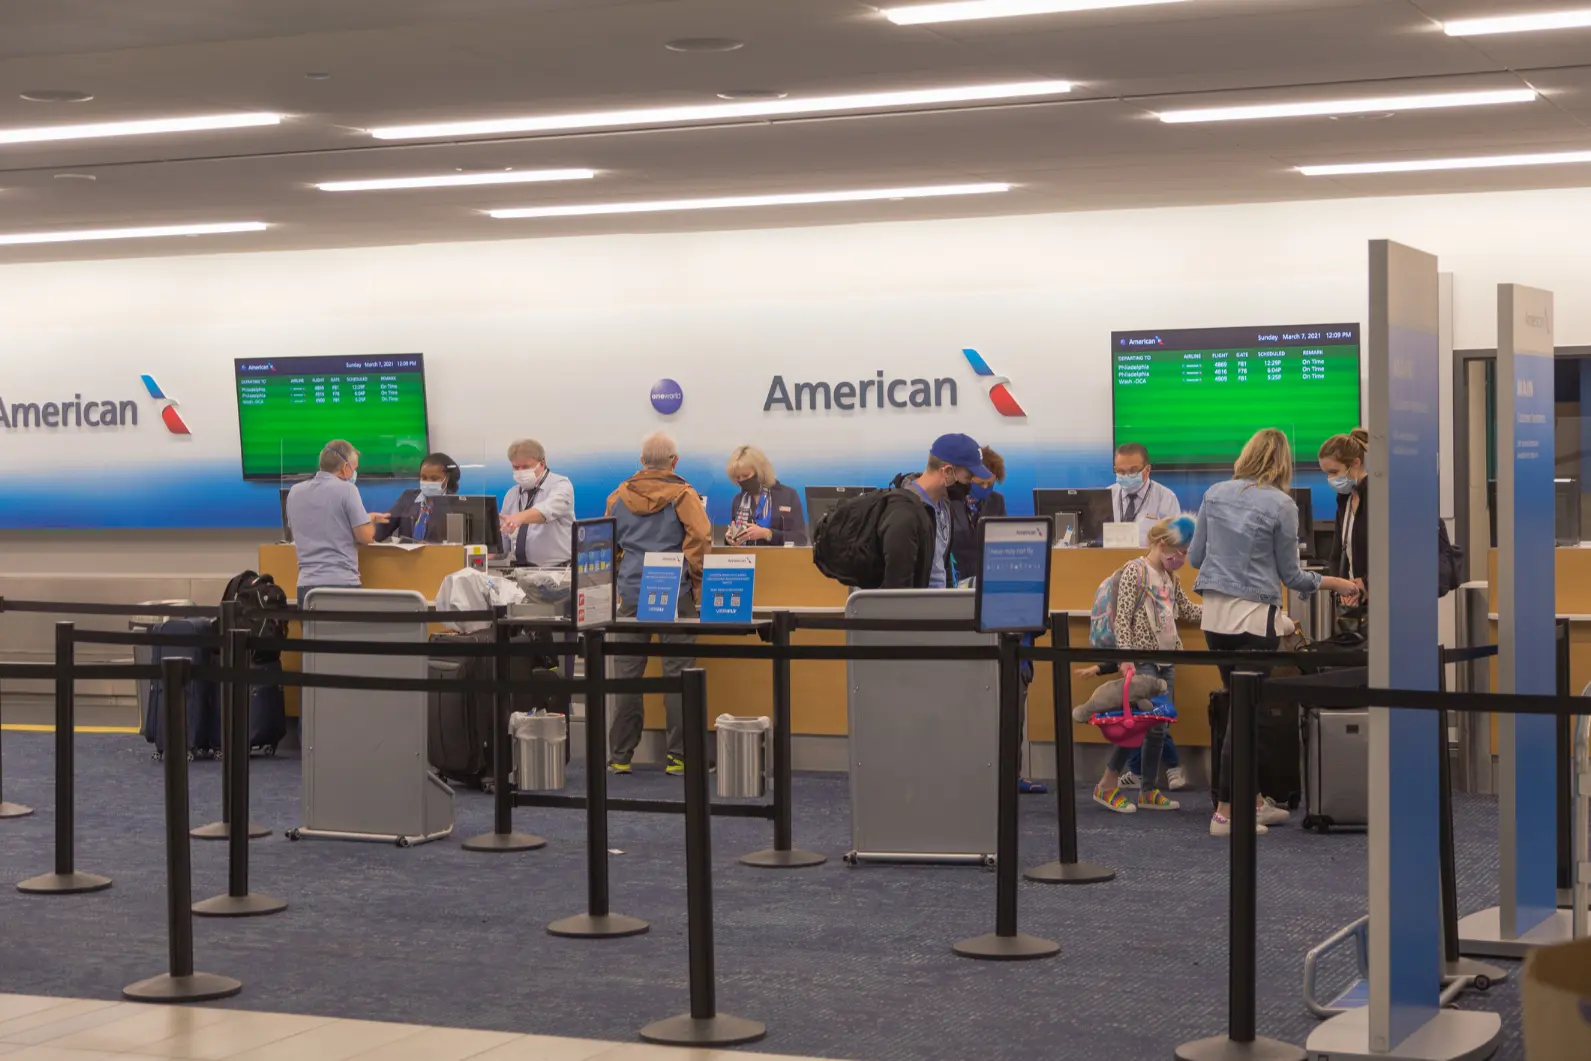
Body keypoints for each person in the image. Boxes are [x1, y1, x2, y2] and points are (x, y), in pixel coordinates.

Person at [1190, 428, 1359, 837]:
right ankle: (1226, 814)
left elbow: (1195, 557)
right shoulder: (1281, 505)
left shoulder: (1214, 494)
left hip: (1214, 622)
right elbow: (1291, 576)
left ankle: (1256, 801)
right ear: (1282, 462)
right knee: (1245, 718)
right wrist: (1337, 584)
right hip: (1253, 622)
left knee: (1237, 708)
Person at [1075, 516, 1202, 814]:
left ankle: (1148, 791)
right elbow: (1122, 618)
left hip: (1166, 660)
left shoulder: (1171, 578)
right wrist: (1126, 657)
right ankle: (1107, 785)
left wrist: (1221, 611)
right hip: (1143, 660)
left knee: (1157, 727)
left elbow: (1186, 609)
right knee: (1137, 726)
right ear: (1161, 544)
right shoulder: (1135, 571)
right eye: (1180, 551)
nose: (1182, 558)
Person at [606, 431, 712, 776]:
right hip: (673, 591)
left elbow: (609, 545)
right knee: (678, 676)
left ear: (641, 463)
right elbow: (701, 539)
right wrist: (691, 578)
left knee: (626, 677)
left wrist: (625, 574)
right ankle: (679, 756)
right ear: (674, 462)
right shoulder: (684, 496)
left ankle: (620, 756)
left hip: (632, 594)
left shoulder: (618, 497)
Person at [880, 433, 988, 589]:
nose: (971, 483)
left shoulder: (944, 506)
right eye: (968, 476)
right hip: (916, 611)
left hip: (939, 609)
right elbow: (897, 590)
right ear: (947, 471)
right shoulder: (904, 513)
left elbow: (943, 569)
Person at [284, 440, 374, 595]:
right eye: (355, 469)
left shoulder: (294, 492)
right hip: (342, 583)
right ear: (346, 467)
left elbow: (296, 534)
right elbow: (365, 537)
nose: (354, 473)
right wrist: (370, 520)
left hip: (305, 586)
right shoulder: (348, 490)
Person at [498, 439, 575, 566]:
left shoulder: (561, 485)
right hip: (519, 570)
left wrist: (518, 518)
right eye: (516, 467)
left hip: (557, 572)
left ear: (542, 462)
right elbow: (503, 541)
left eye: (526, 467)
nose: (521, 472)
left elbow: (546, 511)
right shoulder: (511, 495)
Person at [947, 445, 1008, 583]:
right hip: (954, 581)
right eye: (980, 483)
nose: (985, 488)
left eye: (990, 483)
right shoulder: (948, 500)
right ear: (968, 478)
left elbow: (1003, 543)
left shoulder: (997, 501)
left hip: (988, 579)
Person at [725, 445, 807, 546]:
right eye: (738, 477)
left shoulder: (787, 496)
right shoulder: (738, 500)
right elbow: (735, 539)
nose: (742, 481)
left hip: (777, 559)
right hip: (745, 560)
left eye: (746, 476)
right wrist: (730, 540)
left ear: (760, 472)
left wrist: (767, 534)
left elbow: (800, 539)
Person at [372, 452, 459, 543]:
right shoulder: (408, 497)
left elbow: (457, 544)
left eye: (434, 478)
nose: (428, 482)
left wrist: (432, 547)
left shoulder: (455, 505)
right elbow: (382, 529)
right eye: (424, 477)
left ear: (447, 479)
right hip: (406, 556)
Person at [1109, 443, 1183, 546]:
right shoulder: (1108, 495)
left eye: (1133, 471)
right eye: (1120, 471)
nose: (1126, 476)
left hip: (1150, 560)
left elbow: (1175, 541)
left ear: (1147, 470)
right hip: (1110, 558)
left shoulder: (1166, 498)